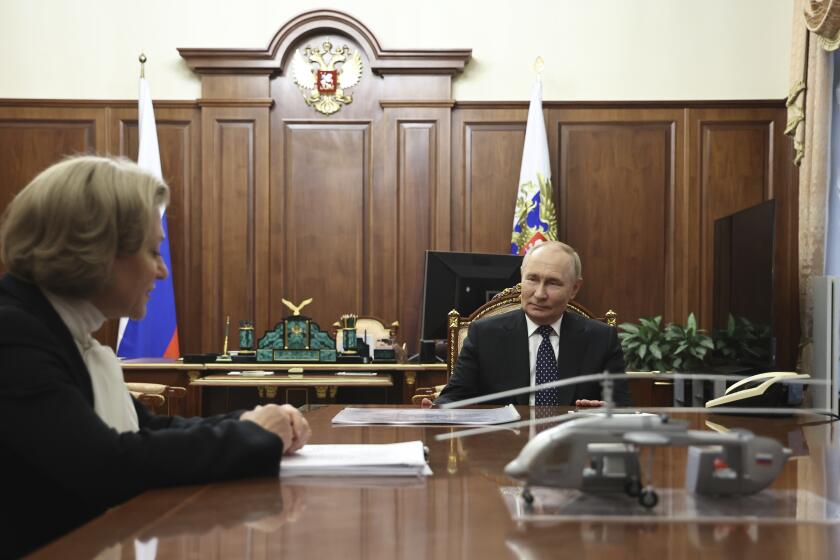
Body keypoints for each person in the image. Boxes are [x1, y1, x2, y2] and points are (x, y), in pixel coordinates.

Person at [0, 156, 311, 558]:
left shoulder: (60, 331)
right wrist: (252, 436)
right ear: (96, 252)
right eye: (152, 251)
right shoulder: (13, 334)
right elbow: (105, 466)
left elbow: (149, 428)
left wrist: (249, 421)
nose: (162, 272)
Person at [424, 241, 631, 408]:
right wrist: (436, 412)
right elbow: (455, 397)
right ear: (521, 278)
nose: (539, 294)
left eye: (553, 283)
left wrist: (605, 411)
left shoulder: (601, 339)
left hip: (573, 448)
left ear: (574, 288)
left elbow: (621, 407)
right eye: (532, 279)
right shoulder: (484, 334)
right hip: (500, 449)